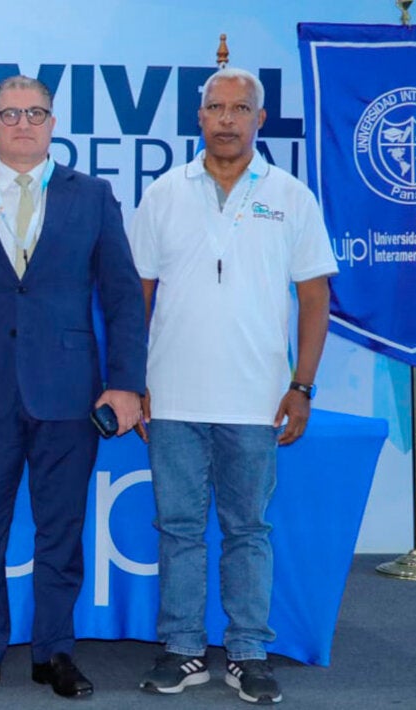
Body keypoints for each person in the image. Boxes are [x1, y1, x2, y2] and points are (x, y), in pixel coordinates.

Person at [0, 75, 146, 700]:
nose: (23, 122)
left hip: (72, 392)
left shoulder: (94, 196)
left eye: (36, 113)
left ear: (53, 124)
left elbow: (124, 297)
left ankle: (56, 652)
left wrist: (127, 384)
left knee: (61, 527)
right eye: (10, 113)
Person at [129, 67, 337, 706]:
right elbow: (134, 296)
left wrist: (302, 385)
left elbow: (313, 298)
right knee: (179, 528)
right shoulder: (163, 193)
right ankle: (184, 648)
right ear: (198, 118)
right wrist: (134, 385)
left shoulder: (292, 195)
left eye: (239, 108)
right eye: (215, 107)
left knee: (249, 529)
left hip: (256, 398)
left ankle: (248, 652)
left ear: (259, 119)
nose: (226, 118)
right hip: (172, 397)